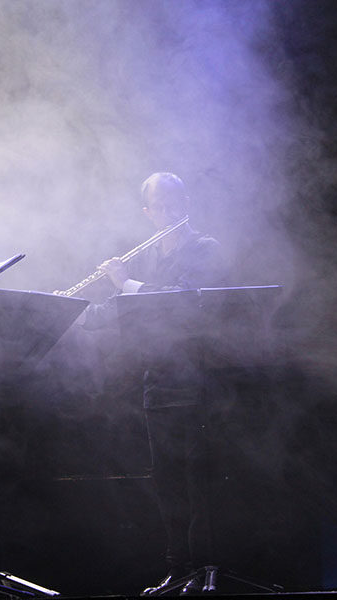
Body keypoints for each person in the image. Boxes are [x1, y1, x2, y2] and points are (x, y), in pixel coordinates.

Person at [81, 172, 225, 596]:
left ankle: (205, 571)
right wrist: (71, 311)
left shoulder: (204, 248)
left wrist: (124, 281)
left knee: (199, 485)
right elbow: (117, 308)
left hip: (198, 383)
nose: (167, 211)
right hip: (158, 387)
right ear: (147, 212)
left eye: (173, 202)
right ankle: (178, 571)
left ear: (186, 203)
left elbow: (180, 303)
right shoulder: (145, 260)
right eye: (158, 206)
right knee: (168, 486)